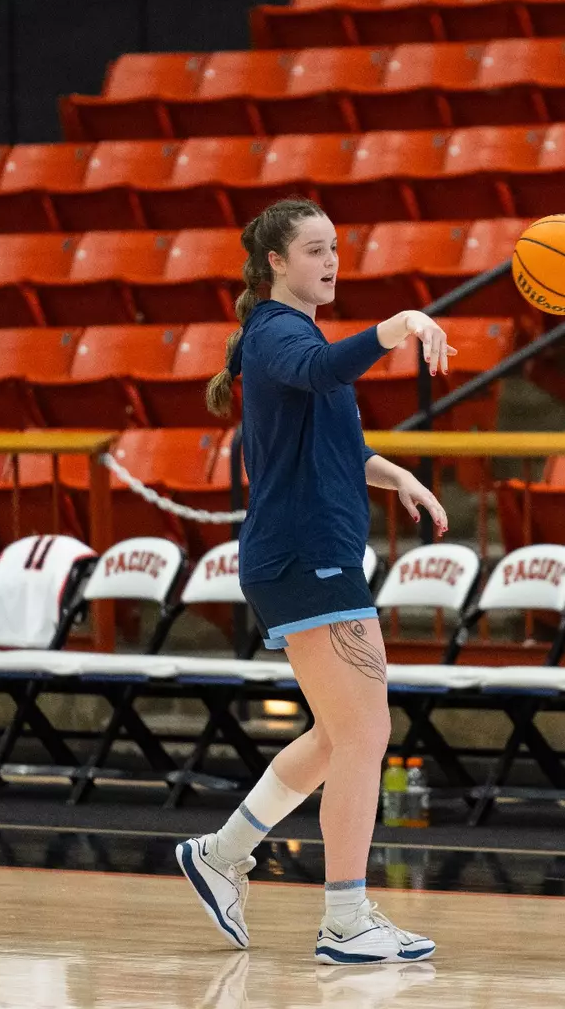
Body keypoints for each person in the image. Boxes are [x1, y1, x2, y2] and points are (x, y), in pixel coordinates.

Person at [176, 197, 452, 966]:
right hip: (305, 558)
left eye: (335, 247)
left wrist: (397, 476)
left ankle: (221, 854)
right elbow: (321, 368)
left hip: (306, 554)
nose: (329, 262)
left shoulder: (291, 332)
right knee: (367, 733)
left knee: (338, 736)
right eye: (312, 250)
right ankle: (345, 918)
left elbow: (334, 444)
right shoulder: (275, 335)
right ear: (275, 262)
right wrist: (395, 328)